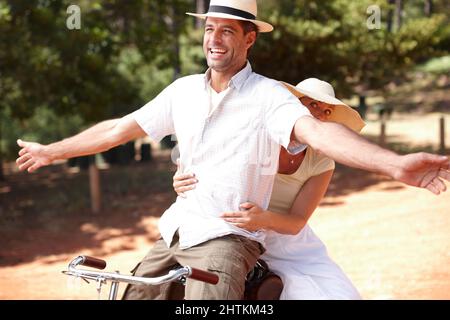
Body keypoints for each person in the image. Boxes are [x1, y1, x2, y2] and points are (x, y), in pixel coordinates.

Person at [15, 0, 449, 300]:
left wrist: (394, 165)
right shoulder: (182, 91)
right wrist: (53, 151)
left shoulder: (269, 98)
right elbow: (118, 128)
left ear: (249, 39)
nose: (215, 39)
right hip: (176, 232)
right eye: (209, 28)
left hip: (227, 240)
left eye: (227, 30)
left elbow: (318, 135)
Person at [174, 77, 365, 299]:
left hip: (288, 240)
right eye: (312, 104)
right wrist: (180, 176)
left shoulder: (321, 161)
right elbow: (202, 156)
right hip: (236, 229)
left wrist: (262, 219)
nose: (320, 114)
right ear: (292, 105)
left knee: (334, 293)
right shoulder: (255, 135)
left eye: (326, 111)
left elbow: (297, 222)